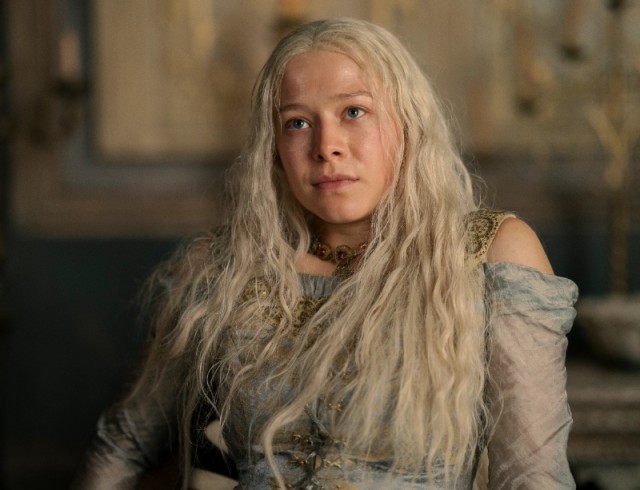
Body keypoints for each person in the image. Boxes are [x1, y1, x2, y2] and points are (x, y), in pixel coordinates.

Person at [73, 17, 578, 489]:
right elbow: (124, 444)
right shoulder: (222, 266)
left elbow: (532, 476)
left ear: (408, 123)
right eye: (297, 123)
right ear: (273, 148)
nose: (326, 146)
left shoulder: (492, 253)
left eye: (354, 112)